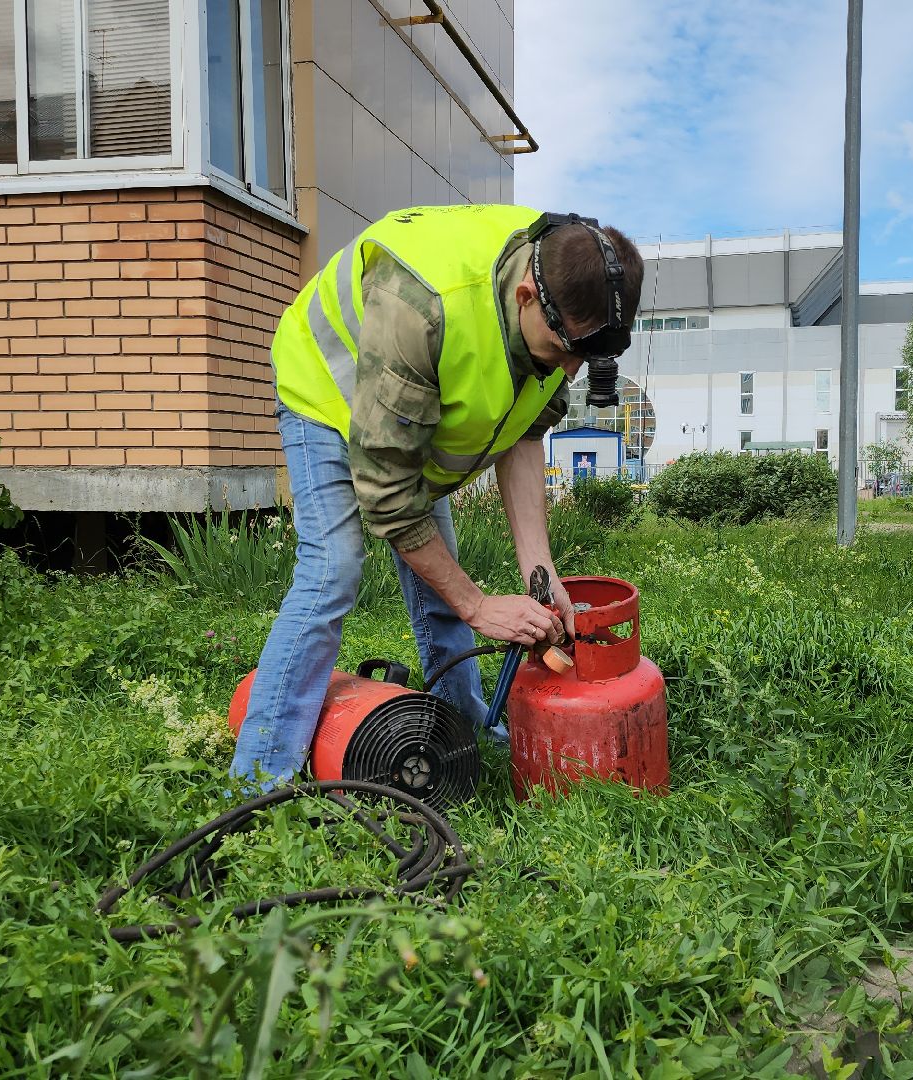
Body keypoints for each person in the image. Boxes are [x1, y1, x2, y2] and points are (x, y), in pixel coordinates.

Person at [231, 205, 645, 788]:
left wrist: (540, 571)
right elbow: (390, 496)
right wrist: (478, 606)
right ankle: (258, 781)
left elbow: (525, 433)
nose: (572, 371)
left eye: (587, 354)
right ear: (527, 294)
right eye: (564, 351)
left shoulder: (568, 295)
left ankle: (457, 736)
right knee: (333, 571)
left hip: (410, 411)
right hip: (328, 393)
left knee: (440, 575)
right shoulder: (424, 306)